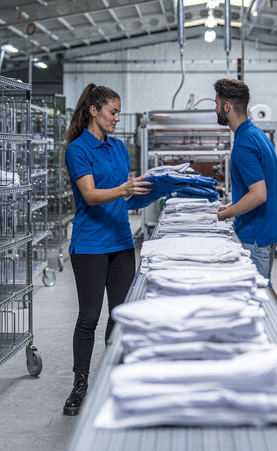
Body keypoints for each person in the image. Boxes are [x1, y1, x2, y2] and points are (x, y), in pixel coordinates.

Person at [62, 83, 158, 416]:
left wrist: (157, 188)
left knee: (120, 315)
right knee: (89, 317)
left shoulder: (118, 149)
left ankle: (116, 379)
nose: (117, 118)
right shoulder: (78, 149)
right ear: (94, 111)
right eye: (113, 112)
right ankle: (80, 384)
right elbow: (90, 195)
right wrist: (124, 189)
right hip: (90, 244)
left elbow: (126, 194)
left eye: (118, 112)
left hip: (120, 241)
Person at [212, 79, 277, 287]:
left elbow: (258, 195)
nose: (216, 108)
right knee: (264, 290)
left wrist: (223, 215)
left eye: (217, 103)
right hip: (269, 228)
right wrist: (231, 205)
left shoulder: (243, 144)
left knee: (256, 295)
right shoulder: (256, 134)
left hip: (256, 234)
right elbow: (256, 187)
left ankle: (276, 322)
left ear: (227, 106)